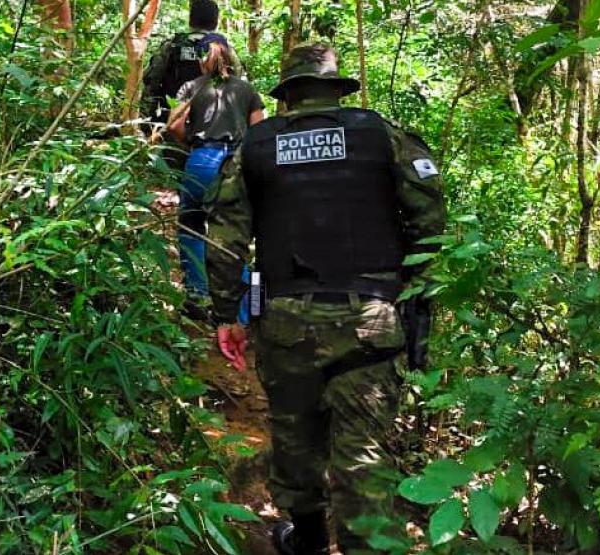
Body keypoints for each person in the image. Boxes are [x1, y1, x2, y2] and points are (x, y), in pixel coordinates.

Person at [204, 43, 446, 554]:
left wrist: (227, 314)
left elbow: (225, 238)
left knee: (295, 435)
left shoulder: (256, 145)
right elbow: (430, 219)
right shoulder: (379, 134)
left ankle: (307, 540)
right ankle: (365, 544)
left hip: (287, 319)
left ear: (288, 95)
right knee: (362, 455)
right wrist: (410, 283)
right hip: (371, 316)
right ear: (336, 90)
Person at [167, 39, 265, 317]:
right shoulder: (246, 90)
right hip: (234, 163)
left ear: (202, 61)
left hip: (200, 161)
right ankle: (247, 312)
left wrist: (192, 142)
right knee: (238, 236)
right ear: (232, 58)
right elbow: (257, 135)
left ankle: (198, 300)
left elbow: (173, 125)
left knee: (191, 228)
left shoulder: (191, 87)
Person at [141, 0, 243, 149]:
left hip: (172, 125)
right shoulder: (225, 49)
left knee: (173, 168)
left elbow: (151, 83)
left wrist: (147, 124)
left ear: (190, 19)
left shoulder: (172, 46)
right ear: (216, 21)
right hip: (213, 129)